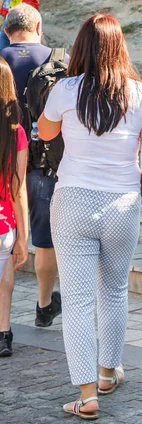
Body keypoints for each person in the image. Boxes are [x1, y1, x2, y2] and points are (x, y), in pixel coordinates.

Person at [38, 13, 142, 420]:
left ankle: (87, 394)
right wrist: (137, 195)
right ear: (119, 47)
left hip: (73, 198)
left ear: (80, 48)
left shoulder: (65, 89)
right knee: (113, 291)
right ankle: (109, 373)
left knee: (76, 301)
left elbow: (45, 133)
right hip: (122, 202)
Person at [1, 2, 66, 327]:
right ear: (38, 27)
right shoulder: (54, 59)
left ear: (6, 30)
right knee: (43, 237)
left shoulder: (1, 61)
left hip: (3, 158)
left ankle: (3, 324)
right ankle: (43, 306)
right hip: (44, 160)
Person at [0, 56, 29, 356]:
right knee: (5, 269)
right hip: (3, 223)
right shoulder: (15, 131)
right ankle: (3, 332)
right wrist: (23, 236)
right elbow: (17, 188)